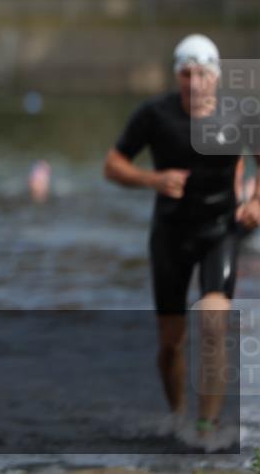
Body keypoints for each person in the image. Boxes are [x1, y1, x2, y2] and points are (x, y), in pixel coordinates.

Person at [103, 34, 259, 444]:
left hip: (219, 231)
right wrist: (151, 179)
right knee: (171, 342)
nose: (194, 82)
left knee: (213, 320)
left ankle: (206, 429)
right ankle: (178, 418)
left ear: (216, 77)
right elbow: (112, 164)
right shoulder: (154, 115)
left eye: (202, 74)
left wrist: (257, 200)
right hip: (171, 232)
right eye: (186, 74)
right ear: (177, 77)